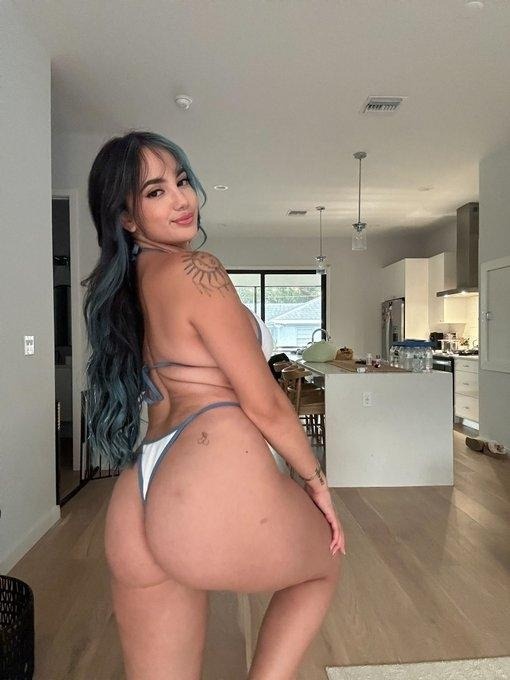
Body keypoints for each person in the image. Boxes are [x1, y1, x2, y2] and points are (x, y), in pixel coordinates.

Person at [82, 130, 345, 680]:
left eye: (181, 181)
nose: (182, 199)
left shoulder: (127, 287)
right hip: (204, 480)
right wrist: (316, 481)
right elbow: (265, 401)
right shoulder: (195, 270)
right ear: (126, 217)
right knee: (323, 564)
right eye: (155, 192)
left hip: (140, 489)